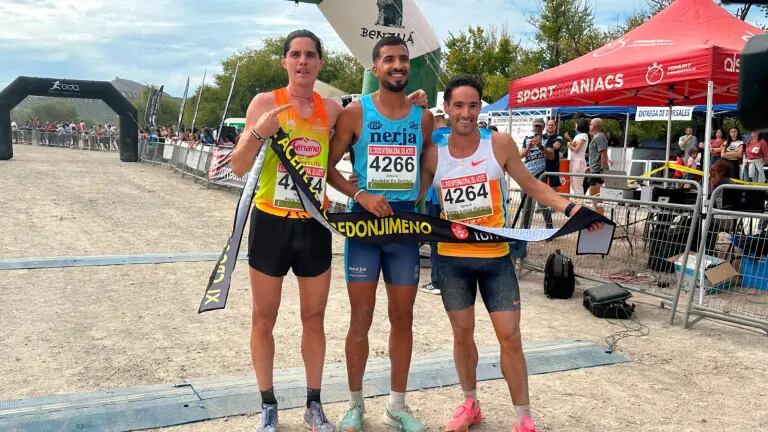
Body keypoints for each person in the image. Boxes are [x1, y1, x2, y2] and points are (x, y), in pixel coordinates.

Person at [419, 75, 602, 432]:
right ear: (447, 109)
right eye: (458, 106)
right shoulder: (433, 153)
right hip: (452, 259)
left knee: (510, 336)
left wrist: (571, 209)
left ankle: (523, 418)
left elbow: (532, 186)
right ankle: (470, 403)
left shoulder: (499, 144)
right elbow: (411, 200)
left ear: (480, 109)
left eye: (473, 105)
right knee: (462, 334)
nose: (466, 113)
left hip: (495, 258)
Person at [229, 29, 343, 432]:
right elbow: (239, 166)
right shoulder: (265, 103)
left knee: (314, 318)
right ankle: (268, 405)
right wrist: (260, 131)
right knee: (264, 317)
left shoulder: (331, 109)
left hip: (313, 226)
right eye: (295, 54)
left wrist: (415, 104)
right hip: (270, 223)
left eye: (310, 55)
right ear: (284, 61)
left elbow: (367, 119)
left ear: (320, 63)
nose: (303, 62)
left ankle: (313, 404)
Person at [326, 35, 433, 432]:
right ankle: (354, 404)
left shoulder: (422, 116)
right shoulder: (356, 112)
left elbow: (430, 162)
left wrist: (419, 193)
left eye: (403, 59)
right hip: (365, 226)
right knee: (361, 317)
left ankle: (396, 406)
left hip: (403, 228)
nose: (397, 65)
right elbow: (328, 165)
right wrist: (360, 193)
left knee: (402, 317)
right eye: (388, 59)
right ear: (376, 69)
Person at [420, 107, 451, 296]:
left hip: (435, 196)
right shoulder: (459, 135)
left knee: (436, 241)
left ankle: (438, 281)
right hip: (455, 196)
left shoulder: (432, 139)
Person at [586, 118, 609, 214]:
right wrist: (590, 166)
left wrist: (602, 169)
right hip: (595, 168)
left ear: (594, 126)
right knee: (594, 195)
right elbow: (598, 155)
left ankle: (599, 216)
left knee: (595, 195)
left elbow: (603, 154)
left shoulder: (599, 137)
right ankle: (598, 214)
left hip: (597, 170)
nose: (589, 126)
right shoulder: (597, 136)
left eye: (590, 124)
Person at [567, 118, 589, 195]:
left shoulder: (584, 135)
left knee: (577, 185)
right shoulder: (578, 135)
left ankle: (580, 204)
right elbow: (573, 145)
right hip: (573, 161)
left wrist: (569, 145)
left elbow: (576, 149)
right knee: (573, 185)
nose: (575, 125)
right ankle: (577, 202)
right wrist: (570, 142)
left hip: (578, 162)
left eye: (576, 123)